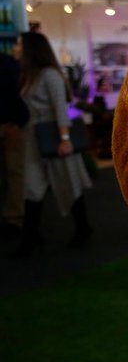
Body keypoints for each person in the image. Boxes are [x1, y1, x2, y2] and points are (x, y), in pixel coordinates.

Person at [8, 31, 93, 258]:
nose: (16, 49)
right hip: (35, 137)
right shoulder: (31, 75)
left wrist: (65, 139)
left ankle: (82, 229)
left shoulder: (49, 75)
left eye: (19, 45)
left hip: (54, 135)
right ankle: (30, 238)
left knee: (69, 183)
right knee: (32, 187)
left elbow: (59, 107)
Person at [0, 48, 28, 237]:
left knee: (14, 173)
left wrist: (17, 123)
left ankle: (14, 219)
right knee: (13, 173)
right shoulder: (9, 63)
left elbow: (19, 96)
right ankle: (13, 218)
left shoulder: (8, 64)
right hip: (12, 124)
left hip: (12, 125)